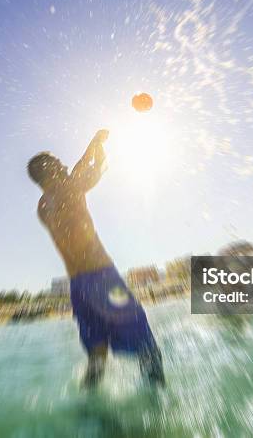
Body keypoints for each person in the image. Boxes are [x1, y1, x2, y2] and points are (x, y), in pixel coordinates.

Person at [27, 129, 165, 388]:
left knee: (96, 361)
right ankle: (158, 419)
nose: (64, 165)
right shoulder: (68, 187)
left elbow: (75, 173)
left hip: (78, 289)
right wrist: (99, 151)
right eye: (59, 163)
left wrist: (90, 145)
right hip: (102, 279)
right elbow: (95, 170)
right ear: (52, 171)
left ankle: (89, 418)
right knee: (150, 352)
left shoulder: (43, 207)